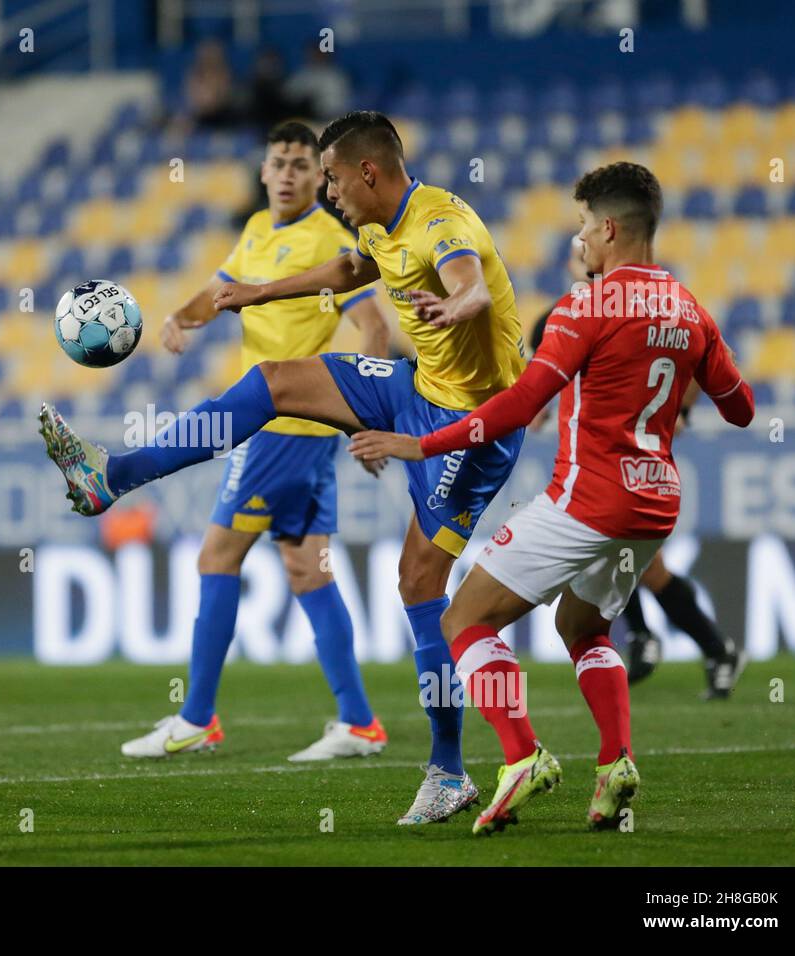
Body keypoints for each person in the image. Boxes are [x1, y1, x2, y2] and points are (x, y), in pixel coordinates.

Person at [43, 110, 527, 824]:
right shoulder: (376, 222)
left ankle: (448, 770)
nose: (327, 192)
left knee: (419, 584)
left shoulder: (441, 223)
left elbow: (473, 283)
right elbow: (349, 269)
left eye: (330, 176)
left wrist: (456, 306)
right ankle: (115, 475)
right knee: (273, 382)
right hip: (414, 387)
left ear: (367, 170)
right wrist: (255, 293)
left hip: (472, 430)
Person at [355, 162, 754, 834]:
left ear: (610, 227)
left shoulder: (586, 305)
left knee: (463, 621)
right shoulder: (690, 308)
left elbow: (517, 405)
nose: (580, 243)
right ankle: (615, 762)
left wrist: (418, 446)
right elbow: (741, 409)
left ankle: (521, 757)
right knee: (584, 629)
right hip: (655, 506)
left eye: (582, 229)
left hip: (587, 500)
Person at [120, 121, 391, 762]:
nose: (291, 173)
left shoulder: (328, 237)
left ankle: (196, 718)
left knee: (216, 557)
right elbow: (219, 292)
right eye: (281, 162)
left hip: (284, 429)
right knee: (308, 569)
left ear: (320, 178)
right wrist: (180, 318)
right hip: (298, 436)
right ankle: (358, 722)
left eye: (304, 164)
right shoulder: (256, 232)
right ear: (264, 173)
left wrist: (372, 416)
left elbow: (374, 327)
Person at [535, 237, 744, 700]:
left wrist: (683, 413)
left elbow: (714, 356)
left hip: (636, 467)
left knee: (639, 565)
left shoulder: (647, 310)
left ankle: (671, 639)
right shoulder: (559, 317)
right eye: (576, 254)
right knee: (630, 562)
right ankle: (695, 643)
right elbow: (535, 388)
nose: (584, 262)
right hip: (591, 467)